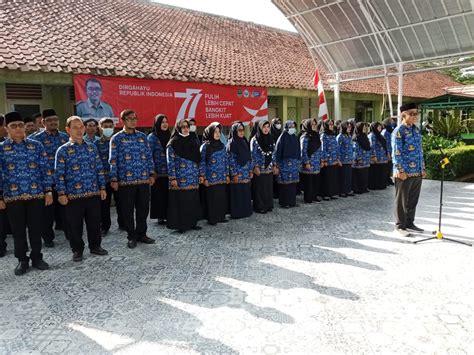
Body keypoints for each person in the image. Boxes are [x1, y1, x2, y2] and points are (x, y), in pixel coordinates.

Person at [0, 111, 52, 275]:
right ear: (6, 128)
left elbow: (45, 169)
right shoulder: (2, 148)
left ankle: (37, 257)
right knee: (18, 231)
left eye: (20, 125)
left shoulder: (36, 146)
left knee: (36, 228)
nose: (18, 129)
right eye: (13, 126)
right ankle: (22, 259)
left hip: (36, 194)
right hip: (12, 197)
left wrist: (48, 190)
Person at [55, 116, 109, 262]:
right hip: (73, 196)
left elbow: (99, 169)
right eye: (75, 128)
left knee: (94, 223)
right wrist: (61, 193)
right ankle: (77, 249)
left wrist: (102, 187)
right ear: (67, 130)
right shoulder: (63, 150)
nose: (79, 130)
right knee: (74, 225)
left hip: (93, 192)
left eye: (81, 127)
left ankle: (95, 246)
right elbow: (59, 174)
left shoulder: (92, 147)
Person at [109, 109, 156, 248]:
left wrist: (152, 174)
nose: (133, 121)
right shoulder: (116, 138)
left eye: (135, 118)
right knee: (127, 210)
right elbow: (113, 160)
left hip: (143, 180)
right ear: (123, 120)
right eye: (130, 118)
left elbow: (148, 157)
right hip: (125, 182)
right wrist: (114, 179)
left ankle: (142, 234)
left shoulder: (142, 137)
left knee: (143, 209)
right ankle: (131, 236)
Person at [31, 109, 69, 247]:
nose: (53, 122)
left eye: (55, 119)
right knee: (47, 214)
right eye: (49, 120)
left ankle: (70, 234)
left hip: (64, 182)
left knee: (66, 211)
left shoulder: (65, 137)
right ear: (43, 122)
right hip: (46, 183)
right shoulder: (35, 140)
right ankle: (48, 238)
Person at [392, 103, 426, 236]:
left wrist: (422, 167)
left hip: (416, 171)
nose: (415, 116)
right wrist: (400, 170)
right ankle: (400, 226)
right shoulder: (398, 131)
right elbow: (396, 152)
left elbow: (420, 151)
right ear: (403, 115)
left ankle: (410, 222)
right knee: (401, 200)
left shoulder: (416, 130)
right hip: (404, 172)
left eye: (416, 113)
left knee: (413, 199)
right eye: (412, 113)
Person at [166, 119, 203, 233]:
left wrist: (201, 174)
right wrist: (172, 178)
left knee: (192, 201)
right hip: (180, 179)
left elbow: (199, 160)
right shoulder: (173, 143)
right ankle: (181, 225)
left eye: (187, 126)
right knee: (181, 202)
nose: (186, 129)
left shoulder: (194, 141)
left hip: (193, 177)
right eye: (183, 127)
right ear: (178, 128)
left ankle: (192, 223)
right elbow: (170, 162)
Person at [95, 117, 124, 234]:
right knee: (104, 205)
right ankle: (104, 227)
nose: (108, 129)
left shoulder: (119, 140)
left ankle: (123, 224)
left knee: (121, 203)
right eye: (105, 126)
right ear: (100, 128)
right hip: (104, 179)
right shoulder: (96, 144)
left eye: (110, 126)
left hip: (118, 178)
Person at [200, 122, 229, 225]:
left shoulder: (222, 145)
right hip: (210, 178)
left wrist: (226, 175)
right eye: (215, 132)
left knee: (221, 197)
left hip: (221, 177)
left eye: (219, 132)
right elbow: (202, 162)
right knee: (211, 199)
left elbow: (226, 161)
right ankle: (212, 218)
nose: (217, 134)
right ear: (210, 132)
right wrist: (204, 177)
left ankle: (221, 216)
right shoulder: (205, 147)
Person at [148, 114, 171, 225]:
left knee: (168, 195)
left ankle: (169, 214)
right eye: (162, 122)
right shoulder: (152, 137)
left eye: (166, 121)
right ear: (157, 123)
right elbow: (149, 156)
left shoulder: (170, 136)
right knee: (158, 195)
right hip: (157, 173)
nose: (165, 124)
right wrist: (152, 171)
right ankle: (160, 216)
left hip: (170, 173)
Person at [227, 122, 253, 218]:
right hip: (237, 173)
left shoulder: (244, 141)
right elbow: (231, 160)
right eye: (239, 130)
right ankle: (237, 213)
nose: (242, 132)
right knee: (237, 193)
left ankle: (246, 212)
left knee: (245, 192)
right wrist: (234, 174)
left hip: (246, 173)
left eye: (243, 130)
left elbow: (249, 157)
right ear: (234, 131)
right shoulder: (232, 143)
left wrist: (250, 170)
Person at [274, 120, 301, 208]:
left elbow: (298, 150)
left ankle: (292, 201)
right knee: (285, 184)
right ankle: (285, 202)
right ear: (286, 127)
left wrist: (298, 162)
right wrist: (276, 165)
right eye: (290, 127)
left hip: (294, 164)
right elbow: (277, 152)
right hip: (284, 165)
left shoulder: (295, 137)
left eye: (293, 126)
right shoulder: (282, 138)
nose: (292, 128)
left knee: (293, 184)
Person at [250, 119, 275, 213]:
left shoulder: (271, 138)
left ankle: (268, 205)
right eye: (264, 127)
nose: (266, 129)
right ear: (260, 128)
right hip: (259, 168)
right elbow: (253, 154)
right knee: (259, 188)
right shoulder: (255, 139)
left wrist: (275, 165)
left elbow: (274, 152)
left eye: (268, 127)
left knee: (268, 187)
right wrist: (255, 166)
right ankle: (260, 207)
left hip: (269, 167)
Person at [300, 118, 323, 203]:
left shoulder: (316, 135)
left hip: (316, 162)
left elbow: (320, 149)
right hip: (309, 163)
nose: (314, 126)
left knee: (316, 181)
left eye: (315, 124)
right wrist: (306, 162)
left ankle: (314, 196)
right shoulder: (305, 137)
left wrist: (321, 160)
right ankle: (308, 198)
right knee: (309, 182)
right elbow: (303, 150)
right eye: (312, 124)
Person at [320, 119, 341, 200]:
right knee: (326, 179)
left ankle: (331, 193)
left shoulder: (333, 135)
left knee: (332, 178)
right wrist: (324, 160)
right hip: (327, 161)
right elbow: (323, 148)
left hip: (334, 161)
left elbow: (337, 147)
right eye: (330, 124)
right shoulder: (323, 135)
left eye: (332, 124)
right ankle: (325, 194)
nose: (332, 126)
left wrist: (338, 158)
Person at [337, 120, 355, 197]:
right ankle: (342, 191)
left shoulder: (349, 136)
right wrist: (338, 159)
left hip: (349, 160)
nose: (349, 128)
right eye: (348, 126)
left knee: (348, 176)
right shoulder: (340, 136)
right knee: (343, 177)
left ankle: (348, 190)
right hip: (343, 160)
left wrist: (352, 158)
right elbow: (337, 148)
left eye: (350, 127)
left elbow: (351, 148)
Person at [368, 122, 389, 190]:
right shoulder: (372, 135)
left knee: (382, 172)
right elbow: (372, 146)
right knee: (376, 173)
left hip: (383, 157)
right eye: (378, 127)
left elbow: (385, 145)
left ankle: (382, 184)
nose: (380, 128)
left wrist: (387, 153)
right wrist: (374, 156)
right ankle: (376, 185)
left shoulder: (380, 135)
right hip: (377, 157)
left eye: (380, 126)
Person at [352, 122, 371, 194]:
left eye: (365, 127)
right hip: (359, 160)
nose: (364, 129)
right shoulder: (356, 138)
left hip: (366, 159)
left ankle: (364, 188)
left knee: (365, 175)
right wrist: (358, 158)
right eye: (363, 127)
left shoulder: (365, 136)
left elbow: (368, 147)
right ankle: (358, 189)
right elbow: (355, 149)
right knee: (359, 175)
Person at [270, 118, 282, 199]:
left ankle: (278, 192)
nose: (278, 124)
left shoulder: (281, 134)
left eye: (279, 123)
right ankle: (273, 193)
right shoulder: (270, 135)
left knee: (279, 176)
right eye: (276, 123)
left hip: (280, 158)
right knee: (273, 177)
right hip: (272, 160)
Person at [382, 118, 395, 186]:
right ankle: (386, 180)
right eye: (391, 122)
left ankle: (389, 179)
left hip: (392, 151)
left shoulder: (391, 131)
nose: (393, 123)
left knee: (390, 167)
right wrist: (388, 152)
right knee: (387, 167)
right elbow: (385, 143)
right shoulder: (385, 132)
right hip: (387, 152)